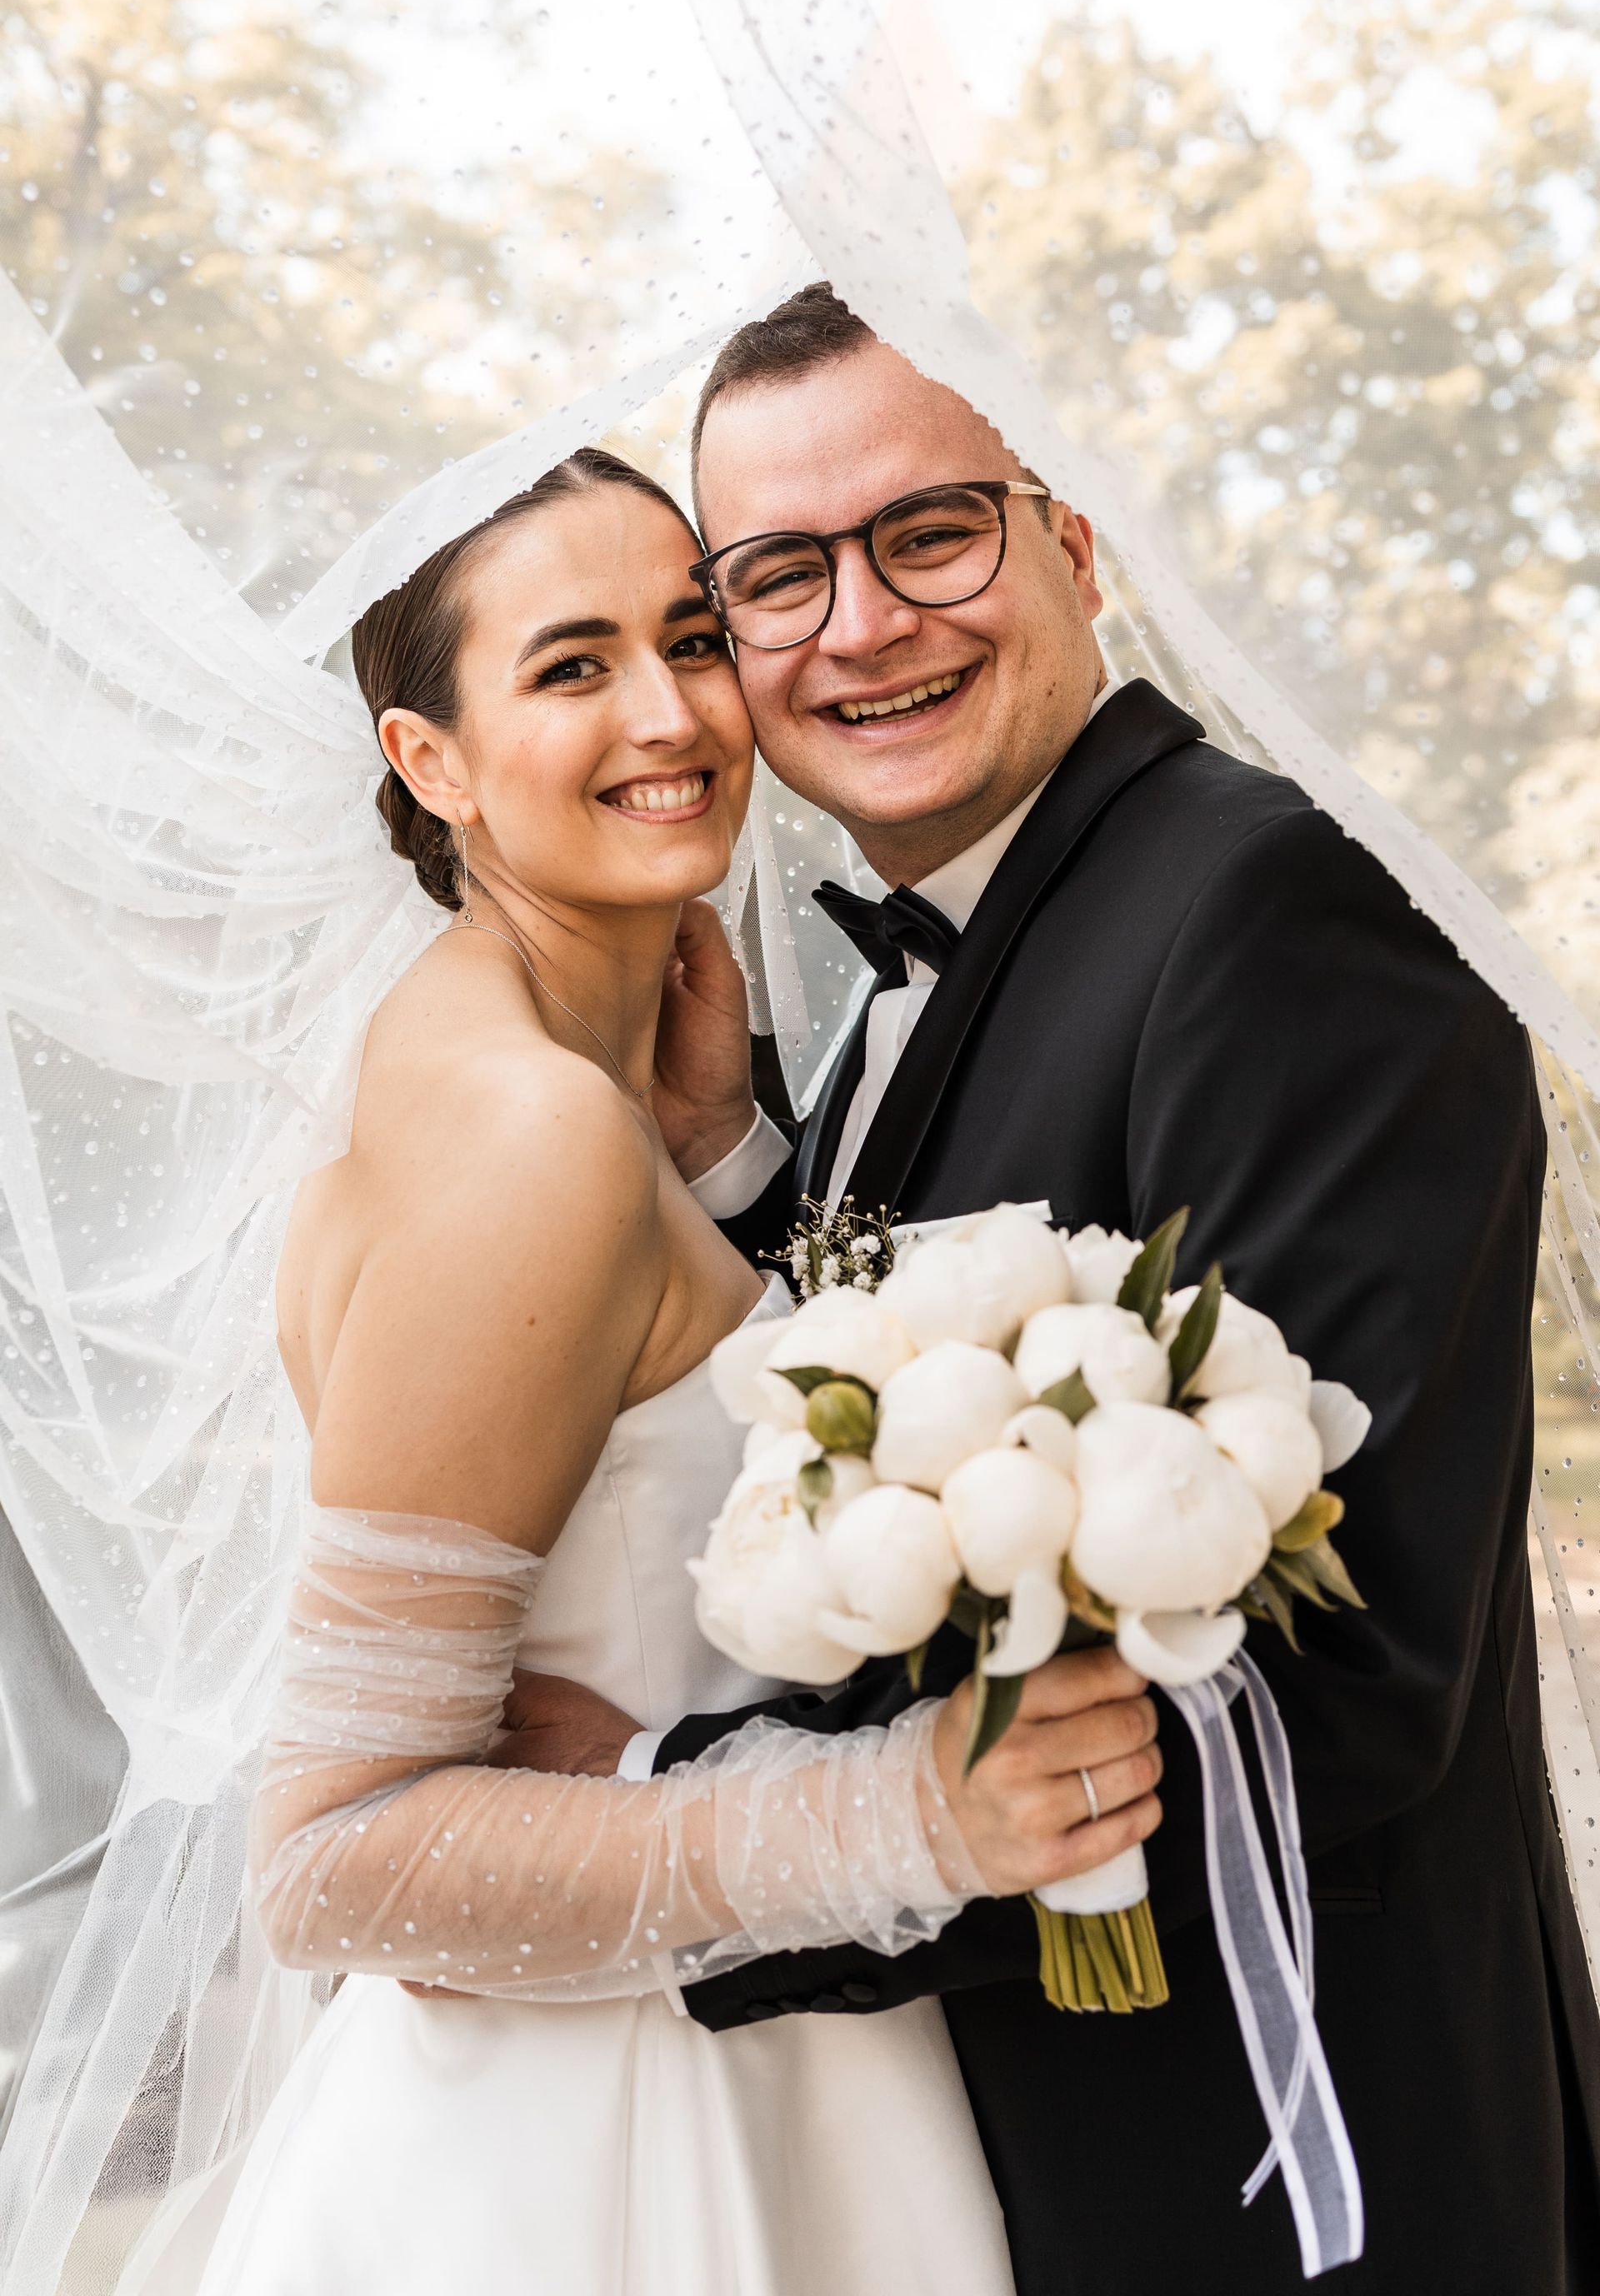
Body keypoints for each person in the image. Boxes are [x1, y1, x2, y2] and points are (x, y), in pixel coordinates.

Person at [519, 289, 1600, 2295]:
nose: (861, 623)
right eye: (777, 577)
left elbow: (1338, 1693)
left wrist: (687, 1826)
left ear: (1073, 541)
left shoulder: (1281, 908)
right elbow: (887, 1436)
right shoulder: (921, 964)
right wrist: (742, 1170)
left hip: (1283, 2177)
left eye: (930, 531)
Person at [124, 445, 1163, 2296]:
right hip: (603, 2158)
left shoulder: (588, 1095)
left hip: (736, 2074)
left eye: (690, 637)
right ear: (427, 760)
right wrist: (914, 1813)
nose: (673, 711)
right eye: (571, 664)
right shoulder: (527, 1140)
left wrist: (726, 1164)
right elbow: (332, 1859)